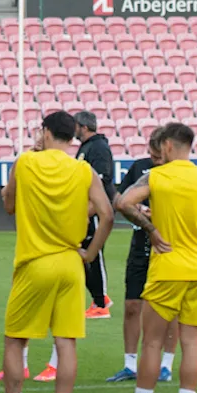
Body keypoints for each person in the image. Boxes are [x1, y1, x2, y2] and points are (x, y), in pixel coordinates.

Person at [0, 109, 112, 393]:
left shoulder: (26, 162)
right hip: (71, 263)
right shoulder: (83, 170)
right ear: (73, 136)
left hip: (35, 261)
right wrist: (89, 253)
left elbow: (9, 205)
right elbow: (107, 213)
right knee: (66, 342)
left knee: (16, 340)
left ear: (45, 132)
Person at [111, 121, 197, 393]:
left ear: (169, 146)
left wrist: (151, 229)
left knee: (153, 342)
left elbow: (124, 202)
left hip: (168, 266)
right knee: (192, 342)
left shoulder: (157, 176)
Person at [103, 132, 179, 384]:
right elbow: (119, 200)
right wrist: (139, 209)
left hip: (169, 247)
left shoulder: (179, 173)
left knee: (169, 310)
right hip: (140, 245)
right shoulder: (140, 168)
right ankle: (129, 365)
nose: (156, 160)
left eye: (159, 156)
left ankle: (166, 365)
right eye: (153, 155)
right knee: (132, 305)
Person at [74, 110, 116, 317]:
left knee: (93, 252)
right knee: (84, 253)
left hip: (95, 209)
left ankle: (101, 303)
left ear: (83, 127)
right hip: (87, 208)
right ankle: (99, 298)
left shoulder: (98, 147)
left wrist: (91, 209)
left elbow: (102, 179)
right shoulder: (87, 147)